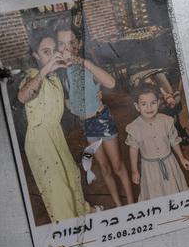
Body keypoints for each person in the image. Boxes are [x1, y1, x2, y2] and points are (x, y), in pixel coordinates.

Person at [55, 19, 134, 208]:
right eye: (62, 44)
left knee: (117, 166)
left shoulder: (87, 64)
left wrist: (82, 61)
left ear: (79, 44)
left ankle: (132, 205)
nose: (67, 48)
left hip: (102, 121)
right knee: (105, 169)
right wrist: (70, 105)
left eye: (71, 43)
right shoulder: (61, 72)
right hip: (88, 125)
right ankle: (118, 206)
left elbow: (111, 83)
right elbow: (69, 101)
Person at [16, 30, 91, 223]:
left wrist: (91, 103)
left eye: (53, 50)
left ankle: (84, 222)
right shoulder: (33, 76)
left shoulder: (55, 79)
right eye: (45, 52)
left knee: (72, 177)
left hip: (55, 135)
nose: (51, 55)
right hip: (40, 140)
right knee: (59, 191)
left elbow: (64, 107)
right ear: (35, 55)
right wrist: (45, 70)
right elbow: (23, 96)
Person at [125, 84, 189, 201]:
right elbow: (133, 149)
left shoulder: (166, 121)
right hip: (150, 169)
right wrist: (134, 171)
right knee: (155, 195)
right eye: (144, 104)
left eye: (153, 103)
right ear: (137, 106)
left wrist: (181, 158)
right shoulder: (134, 128)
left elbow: (174, 141)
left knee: (174, 192)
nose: (149, 108)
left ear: (159, 102)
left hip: (170, 164)